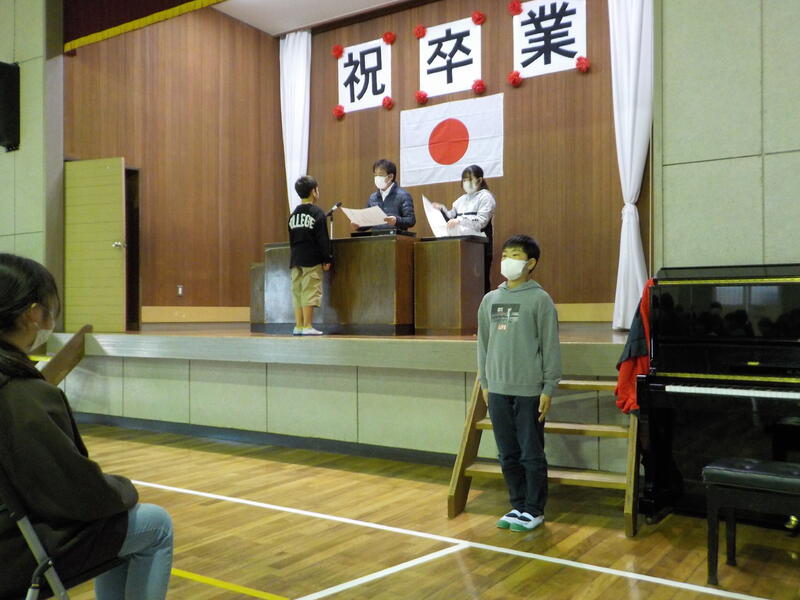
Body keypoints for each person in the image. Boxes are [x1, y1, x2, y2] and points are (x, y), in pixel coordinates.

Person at [0, 253, 173, 599]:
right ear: (32, 313)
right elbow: (76, 495)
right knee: (155, 525)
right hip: (13, 551)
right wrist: (123, 489)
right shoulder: (23, 395)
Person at [476, 235, 562, 532]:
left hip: (529, 390)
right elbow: (483, 345)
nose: (507, 261)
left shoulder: (540, 299)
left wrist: (548, 387)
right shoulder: (490, 299)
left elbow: (550, 347)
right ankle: (517, 505)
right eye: (504, 255)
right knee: (507, 453)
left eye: (514, 255)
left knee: (530, 453)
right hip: (497, 389)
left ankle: (534, 509)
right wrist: (485, 382)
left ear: (531, 263)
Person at [431, 164, 496, 291]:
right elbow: (451, 216)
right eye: (464, 180)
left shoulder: (486, 197)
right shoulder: (460, 200)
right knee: (463, 282)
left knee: (480, 282)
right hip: (461, 245)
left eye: (469, 179)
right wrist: (441, 209)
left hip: (480, 246)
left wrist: (460, 220)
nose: (466, 183)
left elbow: (481, 221)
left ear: (479, 180)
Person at [289, 175, 332, 335]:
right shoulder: (317, 213)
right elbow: (323, 239)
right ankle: (308, 326)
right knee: (310, 290)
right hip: (312, 259)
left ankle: (298, 325)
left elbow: (291, 239)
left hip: (295, 259)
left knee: (297, 292)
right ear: (314, 191)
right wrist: (327, 258)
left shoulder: (293, 215)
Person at [350, 159, 416, 232]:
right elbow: (368, 221)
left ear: (390, 177)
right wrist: (358, 226)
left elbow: (411, 220)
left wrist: (396, 220)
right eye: (375, 175)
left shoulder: (403, 195)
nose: (377, 178)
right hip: (376, 237)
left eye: (380, 175)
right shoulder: (373, 198)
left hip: (396, 237)